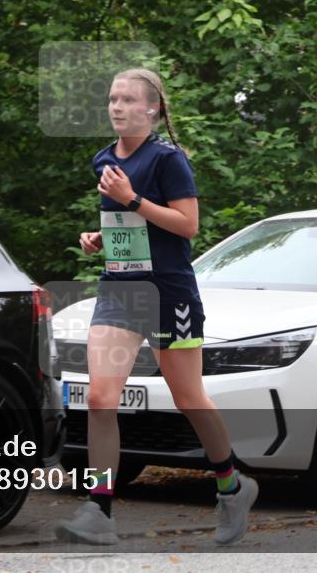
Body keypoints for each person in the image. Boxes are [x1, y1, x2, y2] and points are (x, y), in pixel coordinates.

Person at [55, 68, 258, 547]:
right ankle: (99, 510)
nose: (117, 106)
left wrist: (133, 198)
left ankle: (231, 486)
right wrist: (101, 237)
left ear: (152, 109)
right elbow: (133, 226)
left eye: (128, 99)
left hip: (169, 293)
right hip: (120, 291)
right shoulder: (103, 159)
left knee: (189, 397)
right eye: (112, 99)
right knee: (101, 398)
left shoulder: (168, 160)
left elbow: (187, 226)